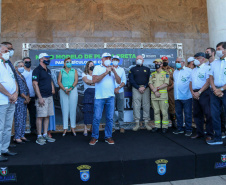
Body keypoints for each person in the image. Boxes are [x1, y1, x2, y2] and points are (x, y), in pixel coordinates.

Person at [89, 53, 121, 145]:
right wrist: (106, 72)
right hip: (99, 97)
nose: (108, 59)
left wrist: (114, 71)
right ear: (102, 59)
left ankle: (108, 136)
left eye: (109, 58)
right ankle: (94, 137)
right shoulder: (97, 68)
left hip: (110, 97)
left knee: (110, 118)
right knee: (97, 118)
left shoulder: (113, 68)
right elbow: (94, 80)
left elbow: (119, 81)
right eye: (106, 58)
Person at [32, 53, 56, 145]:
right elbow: (35, 84)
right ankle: (39, 136)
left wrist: (52, 89)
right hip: (42, 97)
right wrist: (40, 97)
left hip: (49, 96)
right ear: (41, 59)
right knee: (40, 116)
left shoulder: (48, 70)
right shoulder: (37, 70)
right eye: (46, 58)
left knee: (47, 116)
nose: (48, 59)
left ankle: (45, 134)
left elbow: (49, 81)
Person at [0, 44, 18, 161]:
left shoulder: (8, 65)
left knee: (7, 127)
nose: (8, 52)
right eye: (5, 51)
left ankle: (4, 149)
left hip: (12, 100)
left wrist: (15, 93)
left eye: (8, 50)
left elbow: (14, 80)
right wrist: (9, 94)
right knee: (0, 127)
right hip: (2, 101)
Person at [189, 53, 213, 142]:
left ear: (203, 59)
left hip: (204, 92)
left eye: (197, 58)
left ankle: (210, 134)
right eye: (194, 58)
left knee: (208, 113)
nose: (195, 60)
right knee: (197, 114)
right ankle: (200, 132)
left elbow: (208, 82)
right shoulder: (193, 70)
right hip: (195, 93)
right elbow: (190, 82)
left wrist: (199, 92)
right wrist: (192, 92)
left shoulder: (207, 68)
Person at [208, 42, 226, 145]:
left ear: (225, 50)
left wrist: (221, 89)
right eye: (217, 49)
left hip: (224, 90)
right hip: (214, 92)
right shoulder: (214, 63)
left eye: (219, 49)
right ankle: (218, 138)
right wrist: (215, 89)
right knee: (215, 115)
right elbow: (211, 77)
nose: (217, 51)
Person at [128, 55, 151, 131]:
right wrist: (138, 87)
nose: (139, 60)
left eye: (140, 59)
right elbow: (131, 80)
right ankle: (137, 124)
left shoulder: (147, 69)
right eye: (137, 59)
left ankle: (146, 123)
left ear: (143, 60)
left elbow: (149, 80)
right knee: (136, 105)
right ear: (135, 60)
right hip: (136, 88)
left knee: (146, 105)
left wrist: (144, 86)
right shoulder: (132, 69)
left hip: (146, 88)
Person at [57, 57, 78, 137]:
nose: (69, 63)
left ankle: (73, 127)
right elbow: (59, 81)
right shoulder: (61, 71)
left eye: (70, 62)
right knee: (64, 109)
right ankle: (65, 128)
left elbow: (76, 81)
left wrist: (70, 89)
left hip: (73, 90)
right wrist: (65, 89)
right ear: (64, 63)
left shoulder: (74, 71)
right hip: (63, 90)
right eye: (67, 62)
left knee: (73, 109)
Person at [173, 57, 193, 136]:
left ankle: (188, 129)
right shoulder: (175, 72)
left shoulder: (189, 71)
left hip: (186, 96)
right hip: (177, 96)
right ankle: (180, 128)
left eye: (179, 61)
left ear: (183, 63)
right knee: (178, 114)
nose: (177, 63)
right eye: (176, 61)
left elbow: (192, 83)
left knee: (187, 114)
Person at [149, 59, 169, 133]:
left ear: (161, 64)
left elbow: (166, 83)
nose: (156, 64)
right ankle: (157, 126)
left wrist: (156, 89)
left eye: (158, 63)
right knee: (156, 112)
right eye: (155, 63)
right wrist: (154, 91)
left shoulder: (165, 73)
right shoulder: (152, 74)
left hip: (162, 96)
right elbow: (150, 83)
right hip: (154, 96)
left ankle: (165, 127)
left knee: (164, 112)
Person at [13, 60, 30, 144]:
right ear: (16, 67)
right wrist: (25, 97)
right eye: (20, 66)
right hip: (19, 99)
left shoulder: (22, 76)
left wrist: (28, 97)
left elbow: (25, 87)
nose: (22, 67)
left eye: (23, 66)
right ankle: (17, 137)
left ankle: (22, 135)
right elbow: (19, 89)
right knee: (18, 118)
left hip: (24, 100)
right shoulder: (15, 76)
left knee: (23, 118)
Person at [22, 57, 37, 134]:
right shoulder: (21, 72)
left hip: (32, 96)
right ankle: (22, 131)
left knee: (33, 114)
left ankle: (33, 129)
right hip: (23, 97)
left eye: (29, 62)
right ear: (23, 63)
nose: (28, 63)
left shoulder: (33, 72)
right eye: (26, 62)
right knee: (22, 115)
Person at [112, 55, 126, 133]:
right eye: (114, 59)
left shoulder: (122, 70)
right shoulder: (109, 69)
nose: (115, 61)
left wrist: (118, 88)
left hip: (120, 91)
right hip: (111, 92)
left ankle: (121, 126)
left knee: (121, 109)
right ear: (112, 60)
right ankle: (112, 126)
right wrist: (113, 89)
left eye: (116, 60)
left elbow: (124, 81)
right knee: (111, 110)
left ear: (118, 61)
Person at [162, 56, 176, 128]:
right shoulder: (159, 69)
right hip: (162, 90)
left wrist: (170, 87)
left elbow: (175, 80)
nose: (165, 62)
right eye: (163, 60)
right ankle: (163, 123)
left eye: (166, 60)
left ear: (168, 61)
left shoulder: (172, 70)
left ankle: (173, 122)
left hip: (170, 90)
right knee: (162, 106)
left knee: (172, 105)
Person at [82, 61, 95, 136]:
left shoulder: (96, 73)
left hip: (95, 93)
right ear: (87, 66)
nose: (92, 66)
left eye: (93, 65)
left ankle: (92, 128)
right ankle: (85, 128)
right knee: (87, 110)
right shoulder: (84, 73)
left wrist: (92, 82)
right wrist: (94, 82)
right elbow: (86, 81)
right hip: (87, 93)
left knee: (95, 110)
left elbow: (98, 81)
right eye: (90, 65)